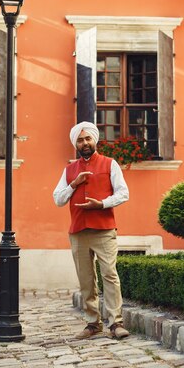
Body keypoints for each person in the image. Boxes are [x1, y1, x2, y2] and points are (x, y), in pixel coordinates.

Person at [53, 121, 130, 340]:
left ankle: (116, 322)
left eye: (88, 138)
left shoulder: (109, 164)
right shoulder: (69, 170)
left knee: (109, 274)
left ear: (95, 140)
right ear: (75, 144)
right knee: (86, 279)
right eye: (80, 139)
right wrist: (74, 184)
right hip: (78, 231)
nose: (85, 142)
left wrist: (102, 204)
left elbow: (124, 193)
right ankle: (92, 323)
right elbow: (58, 199)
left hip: (104, 229)